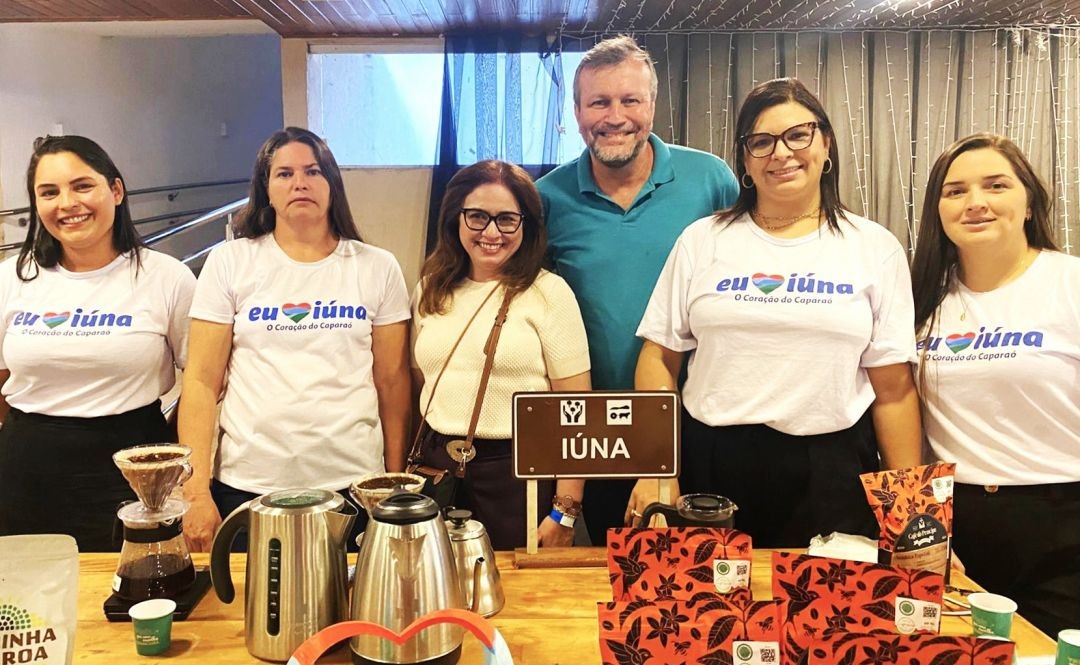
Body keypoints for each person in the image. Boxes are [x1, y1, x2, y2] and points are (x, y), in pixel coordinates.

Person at [632, 78, 922, 547]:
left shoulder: (874, 248)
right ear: (745, 161)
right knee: (706, 615)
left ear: (826, 143)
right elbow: (659, 358)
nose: (781, 153)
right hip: (711, 463)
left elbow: (895, 392)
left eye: (798, 135)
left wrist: (911, 510)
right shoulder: (703, 240)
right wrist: (656, 467)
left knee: (824, 619)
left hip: (830, 470)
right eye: (761, 142)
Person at [537, 35, 739, 544]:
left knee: (714, 572)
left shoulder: (710, 180)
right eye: (598, 102)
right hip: (603, 429)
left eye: (630, 100)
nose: (615, 116)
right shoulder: (546, 199)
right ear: (578, 111)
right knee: (627, 579)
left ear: (652, 104)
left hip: (703, 420)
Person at [178, 127, 411, 551]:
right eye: (284, 173)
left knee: (351, 611)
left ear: (332, 185)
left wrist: (392, 484)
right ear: (265, 189)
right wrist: (195, 493)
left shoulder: (377, 267)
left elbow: (392, 383)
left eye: (313, 171)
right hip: (249, 484)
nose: (299, 182)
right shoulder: (231, 262)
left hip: (353, 484)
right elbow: (199, 382)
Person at [911, 133, 1079, 637]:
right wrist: (926, 525)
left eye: (996, 185)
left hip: (1064, 524)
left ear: (1029, 202)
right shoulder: (921, 300)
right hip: (958, 528)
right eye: (956, 190)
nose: (976, 203)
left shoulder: (1068, 282)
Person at [0, 136, 196, 550]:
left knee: (132, 593)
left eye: (82, 185)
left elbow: (200, 382)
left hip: (134, 465)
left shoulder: (167, 277)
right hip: (25, 469)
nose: (67, 203)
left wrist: (174, 463)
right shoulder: (11, 278)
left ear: (116, 191)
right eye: (49, 192)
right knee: (30, 597)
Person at [412, 160, 590, 550]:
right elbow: (421, 382)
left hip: (519, 475)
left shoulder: (549, 293)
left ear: (525, 224)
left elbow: (575, 409)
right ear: (455, 218)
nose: (491, 232)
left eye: (506, 219)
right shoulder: (430, 288)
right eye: (477, 217)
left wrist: (565, 510)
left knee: (522, 600)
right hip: (438, 469)